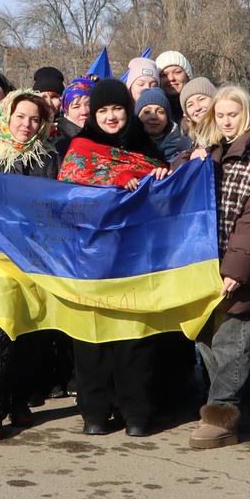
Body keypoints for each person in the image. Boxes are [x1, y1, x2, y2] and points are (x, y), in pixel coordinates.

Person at [58, 79, 170, 437]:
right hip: (91, 256)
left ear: (127, 111)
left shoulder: (148, 149)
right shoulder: (80, 148)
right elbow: (69, 193)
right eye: (102, 110)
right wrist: (119, 180)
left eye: (117, 109)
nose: (110, 117)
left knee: (135, 335)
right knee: (92, 336)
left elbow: (166, 202)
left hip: (138, 257)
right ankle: (94, 411)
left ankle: (135, 411)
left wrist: (162, 179)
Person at [0, 89, 61, 438]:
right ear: (7, 116)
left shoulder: (49, 160)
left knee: (30, 330)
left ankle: (19, 399)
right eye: (21, 117)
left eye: (35, 119)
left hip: (35, 258)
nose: (27, 124)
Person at [183, 85, 250, 450]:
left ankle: (222, 417)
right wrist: (181, 167)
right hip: (204, 263)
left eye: (233, 114)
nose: (226, 121)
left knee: (233, 343)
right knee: (205, 337)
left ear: (247, 114)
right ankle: (230, 406)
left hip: (239, 268)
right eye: (220, 115)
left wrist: (236, 270)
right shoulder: (211, 154)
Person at [136, 86, 191, 164]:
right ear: (137, 116)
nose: (153, 117)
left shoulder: (186, 145)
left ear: (168, 118)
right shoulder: (126, 147)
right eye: (147, 112)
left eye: (160, 112)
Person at [179, 76, 219, 150]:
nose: (197, 108)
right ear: (186, 114)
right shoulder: (186, 144)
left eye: (201, 99)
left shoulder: (230, 131)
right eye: (190, 105)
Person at [56, 74, 93, 149]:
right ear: (66, 112)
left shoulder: (105, 136)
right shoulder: (59, 143)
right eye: (76, 106)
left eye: (88, 105)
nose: (84, 112)